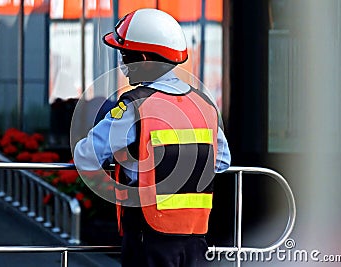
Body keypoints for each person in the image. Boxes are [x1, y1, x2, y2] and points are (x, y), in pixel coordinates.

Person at [73, 8, 231, 267]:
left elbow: (86, 155)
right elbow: (222, 161)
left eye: (126, 56)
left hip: (148, 237)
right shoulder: (204, 104)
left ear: (144, 59)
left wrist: (128, 158)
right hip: (196, 236)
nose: (124, 65)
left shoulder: (136, 105)